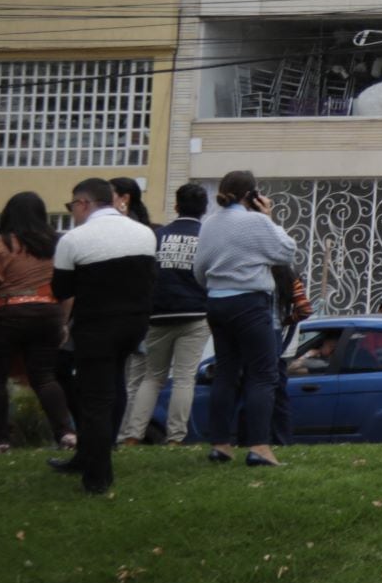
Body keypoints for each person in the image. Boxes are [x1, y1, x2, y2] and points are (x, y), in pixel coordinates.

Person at [50, 178, 158, 496]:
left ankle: (97, 476)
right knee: (112, 388)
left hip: (96, 328)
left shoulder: (74, 240)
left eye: (72, 207)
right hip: (134, 326)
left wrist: (63, 325)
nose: (72, 214)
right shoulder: (144, 233)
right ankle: (89, 455)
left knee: (94, 400)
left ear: (84, 203)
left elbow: (62, 291)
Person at [195, 171, 296, 468]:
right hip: (250, 303)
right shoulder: (256, 221)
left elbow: (199, 268)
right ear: (251, 194)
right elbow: (287, 251)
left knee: (226, 372)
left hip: (216, 302)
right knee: (263, 375)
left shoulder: (209, 223)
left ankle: (221, 444)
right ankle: (260, 446)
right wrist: (269, 215)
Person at [0, 192, 73, 455]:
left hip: (6, 315)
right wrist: (62, 321)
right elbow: (67, 288)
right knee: (45, 377)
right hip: (47, 314)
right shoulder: (56, 244)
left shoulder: (1, 243)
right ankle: (66, 433)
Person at [121, 181, 210, 447]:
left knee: (152, 377)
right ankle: (175, 438)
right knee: (184, 378)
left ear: (175, 206)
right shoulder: (206, 237)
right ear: (205, 209)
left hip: (157, 315)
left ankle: (132, 435)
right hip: (195, 313)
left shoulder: (157, 236)